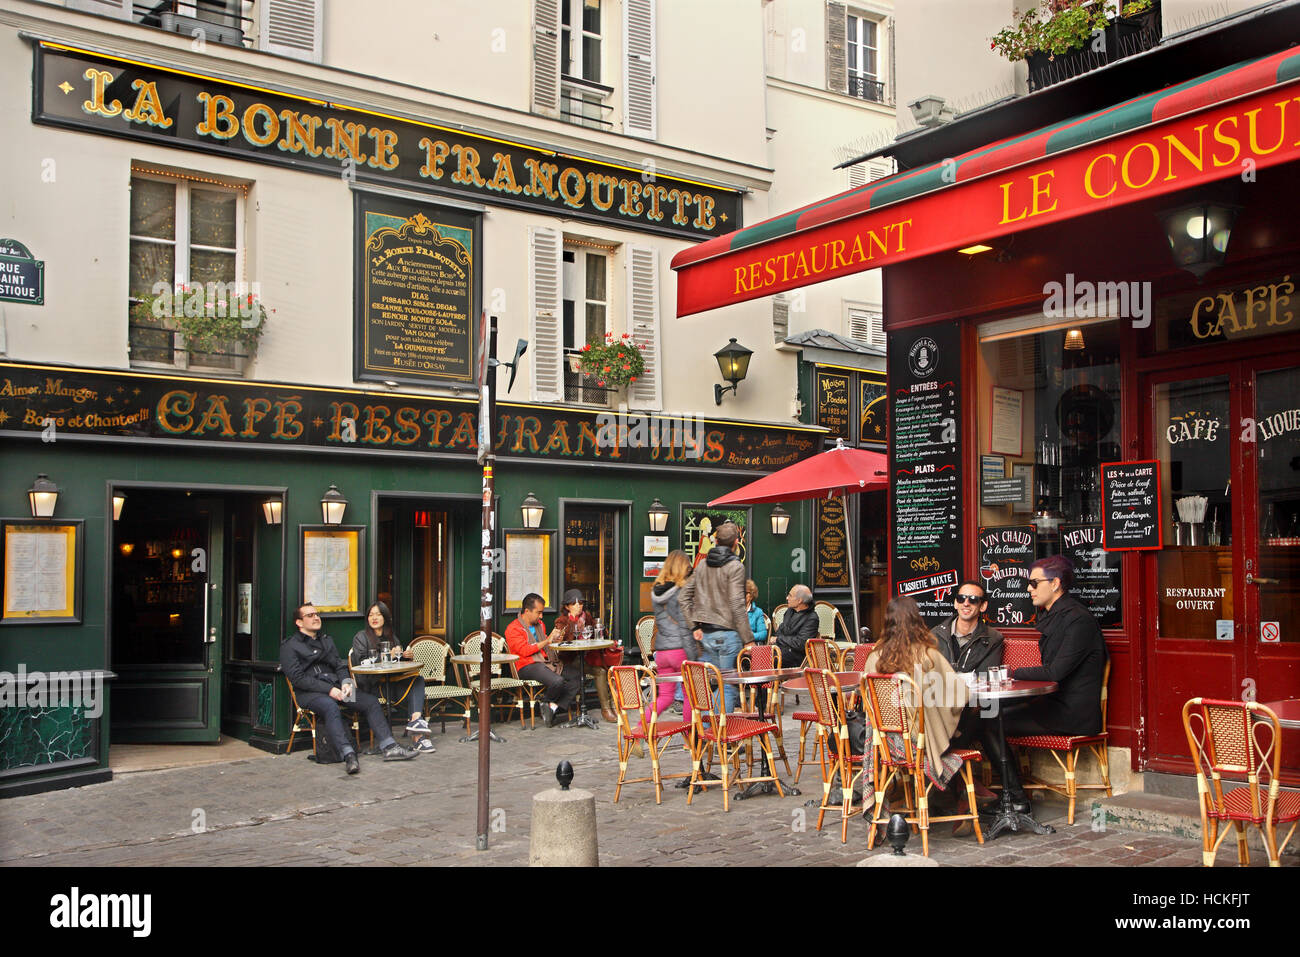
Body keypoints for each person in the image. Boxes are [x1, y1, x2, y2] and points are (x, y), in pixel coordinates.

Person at [981, 555, 1108, 813]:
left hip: (1072, 713)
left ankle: (1015, 799)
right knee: (985, 715)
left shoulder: (1078, 620)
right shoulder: (1057, 616)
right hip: (1053, 705)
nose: (1028, 588)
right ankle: (1004, 795)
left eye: (1034, 583)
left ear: (1055, 584)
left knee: (990, 722)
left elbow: (1056, 671)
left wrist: (1012, 672)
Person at [863, 597, 970, 818]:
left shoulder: (874, 658)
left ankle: (943, 797)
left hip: (885, 744)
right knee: (969, 725)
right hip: (917, 745)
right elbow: (959, 695)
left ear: (887, 622)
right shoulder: (929, 656)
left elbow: (867, 705)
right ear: (917, 621)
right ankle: (959, 795)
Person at [280, 603, 418, 774]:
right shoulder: (290, 646)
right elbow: (298, 679)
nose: (316, 618)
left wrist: (346, 682)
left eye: (317, 614)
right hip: (311, 694)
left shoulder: (326, 640)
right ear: (299, 623)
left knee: (370, 702)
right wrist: (329, 690)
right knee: (330, 706)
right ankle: (348, 754)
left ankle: (389, 746)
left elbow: (339, 666)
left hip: (338, 688)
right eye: (310, 615)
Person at [678, 520, 751, 714]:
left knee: (706, 685)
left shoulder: (702, 565)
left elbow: (683, 596)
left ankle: (707, 735)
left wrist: (694, 627)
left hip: (705, 636)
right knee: (726, 685)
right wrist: (748, 639)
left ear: (716, 542)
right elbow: (737, 604)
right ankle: (721, 738)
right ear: (736, 542)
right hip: (728, 635)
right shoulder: (736, 567)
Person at [349, 601, 436, 753]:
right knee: (415, 687)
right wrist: (388, 656)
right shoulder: (361, 637)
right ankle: (419, 737)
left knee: (418, 680)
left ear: (386, 617)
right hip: (373, 687)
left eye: (378, 614)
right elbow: (363, 663)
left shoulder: (392, 638)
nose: (374, 618)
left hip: (391, 684)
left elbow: (396, 667)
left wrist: (404, 657)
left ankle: (416, 724)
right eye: (371, 615)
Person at [505, 593, 579, 727]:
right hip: (526, 666)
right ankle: (546, 703)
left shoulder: (540, 625)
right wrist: (547, 641)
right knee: (557, 681)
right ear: (527, 611)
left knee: (577, 677)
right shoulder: (513, 629)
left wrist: (555, 640)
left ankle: (552, 707)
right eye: (538, 612)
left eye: (542, 612)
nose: (541, 616)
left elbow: (546, 645)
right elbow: (525, 651)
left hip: (546, 663)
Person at [553, 588, 619, 724]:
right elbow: (562, 641)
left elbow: (595, 631)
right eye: (575, 604)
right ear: (567, 606)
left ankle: (608, 707)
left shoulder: (586, 616)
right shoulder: (562, 620)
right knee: (601, 670)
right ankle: (607, 708)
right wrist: (573, 621)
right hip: (571, 659)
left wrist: (600, 630)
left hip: (588, 655)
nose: (579, 606)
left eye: (581, 603)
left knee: (604, 671)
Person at [650, 550, 694, 726]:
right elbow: (684, 626)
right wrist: (693, 655)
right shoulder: (681, 592)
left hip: (662, 652)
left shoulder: (656, 591)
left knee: (666, 697)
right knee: (690, 694)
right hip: (680, 649)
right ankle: (690, 738)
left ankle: (641, 729)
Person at [930, 580, 1004, 675]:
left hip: (973, 690)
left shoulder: (993, 639)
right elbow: (927, 674)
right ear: (956, 603)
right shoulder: (934, 635)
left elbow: (985, 677)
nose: (966, 603)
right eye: (961, 598)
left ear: (983, 606)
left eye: (973, 599)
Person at [771, 584, 819, 667]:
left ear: (799, 600)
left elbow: (800, 643)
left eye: (790, 595)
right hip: (780, 650)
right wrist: (779, 640)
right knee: (752, 656)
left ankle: (770, 680)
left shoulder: (812, 618)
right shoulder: (789, 611)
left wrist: (779, 639)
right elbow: (780, 631)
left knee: (769, 660)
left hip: (796, 657)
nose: (787, 598)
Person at [744, 579, 768, 649]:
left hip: (751, 644)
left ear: (751, 595)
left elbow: (763, 634)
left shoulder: (758, 612)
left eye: (745, 593)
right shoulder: (734, 610)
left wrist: (749, 637)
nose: (741, 595)